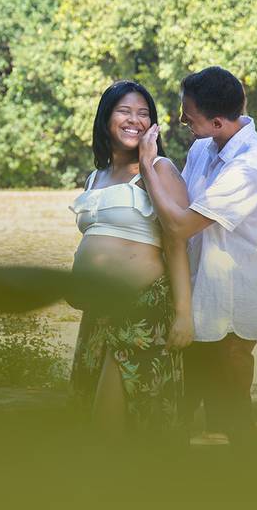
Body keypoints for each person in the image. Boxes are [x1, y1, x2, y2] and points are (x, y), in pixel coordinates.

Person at [138, 66, 257, 454]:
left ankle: (248, 475)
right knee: (189, 393)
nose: (182, 118)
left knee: (231, 394)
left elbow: (181, 224)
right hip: (199, 285)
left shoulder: (252, 164)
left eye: (189, 113)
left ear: (219, 121)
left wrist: (147, 165)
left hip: (235, 293)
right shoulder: (203, 146)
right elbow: (179, 203)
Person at [68, 80, 194, 439]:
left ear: (153, 125)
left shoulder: (161, 170)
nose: (134, 120)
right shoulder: (97, 176)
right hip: (98, 313)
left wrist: (184, 314)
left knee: (114, 420)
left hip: (142, 312)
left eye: (143, 114)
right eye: (125, 111)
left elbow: (176, 243)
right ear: (106, 118)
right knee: (90, 414)